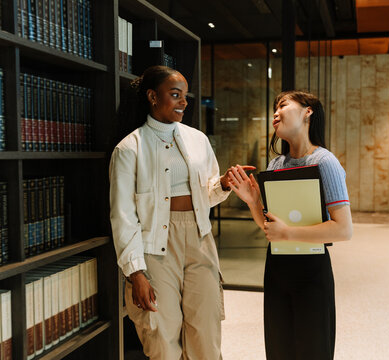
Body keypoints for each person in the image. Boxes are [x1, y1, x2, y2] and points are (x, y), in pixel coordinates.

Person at [109, 65, 254, 359]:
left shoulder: (198, 139)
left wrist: (223, 184)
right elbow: (122, 216)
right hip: (154, 248)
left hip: (200, 239)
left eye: (185, 96)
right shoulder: (129, 149)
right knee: (162, 335)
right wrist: (136, 273)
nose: (184, 103)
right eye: (175, 95)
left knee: (207, 330)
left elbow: (206, 195)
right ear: (152, 96)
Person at [228, 90, 353, 360]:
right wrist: (253, 202)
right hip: (277, 268)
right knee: (278, 349)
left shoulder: (324, 161)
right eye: (274, 107)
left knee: (312, 350)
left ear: (308, 111)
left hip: (311, 271)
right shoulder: (276, 164)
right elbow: (270, 229)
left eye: (283, 105)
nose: (276, 112)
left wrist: (288, 232)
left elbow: (344, 229)